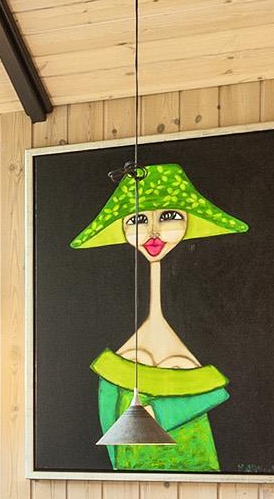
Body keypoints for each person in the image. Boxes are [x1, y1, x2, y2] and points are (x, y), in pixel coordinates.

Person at [70, 161, 248, 472]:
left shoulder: (206, 314)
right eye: (138, 219)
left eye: (168, 216)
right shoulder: (112, 312)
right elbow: (107, 408)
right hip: (128, 460)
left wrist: (161, 414)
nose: (153, 232)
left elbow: (220, 389)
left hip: (192, 454)